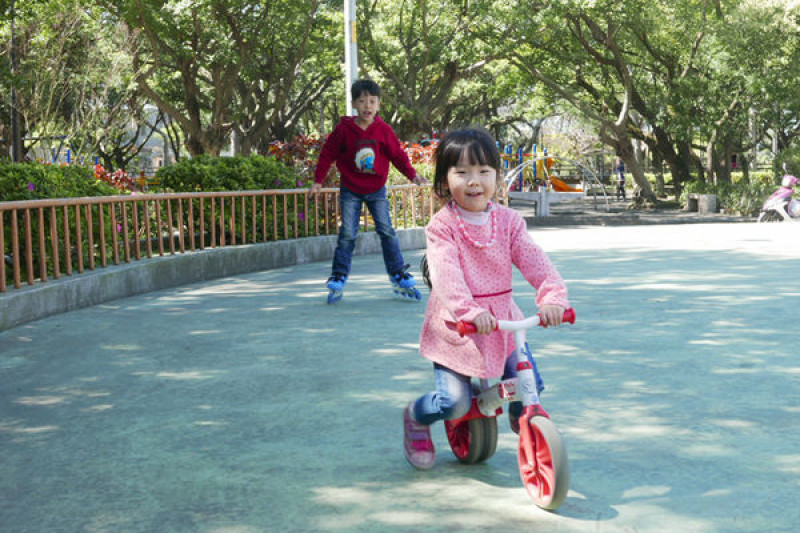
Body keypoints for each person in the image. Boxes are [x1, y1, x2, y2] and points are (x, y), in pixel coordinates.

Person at [402, 128, 570, 469]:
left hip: (502, 323)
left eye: (483, 171)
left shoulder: (508, 222)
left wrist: (552, 297)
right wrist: (469, 310)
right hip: (459, 327)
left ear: (497, 175)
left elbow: (534, 260)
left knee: (530, 384)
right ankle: (417, 416)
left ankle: (522, 418)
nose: (473, 181)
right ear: (445, 179)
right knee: (454, 403)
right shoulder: (442, 226)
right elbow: (446, 276)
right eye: (461, 172)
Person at [309, 79, 428, 303]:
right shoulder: (344, 129)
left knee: (387, 231)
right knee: (348, 234)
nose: (367, 106)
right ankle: (339, 275)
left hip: (376, 190)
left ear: (379, 105)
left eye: (372, 101)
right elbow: (327, 154)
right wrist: (318, 181)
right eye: (362, 101)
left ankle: (398, 273)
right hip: (351, 190)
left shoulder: (383, 130)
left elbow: (398, 156)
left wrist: (412, 175)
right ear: (354, 103)